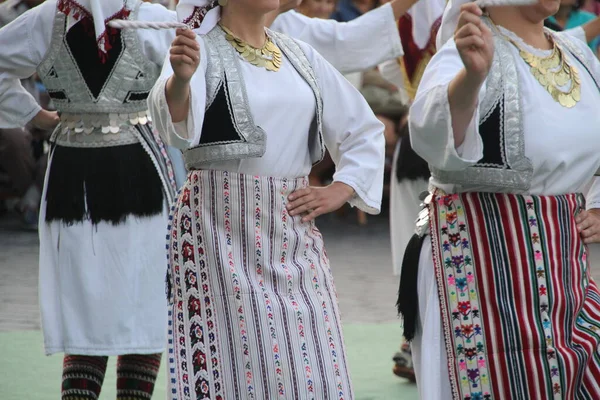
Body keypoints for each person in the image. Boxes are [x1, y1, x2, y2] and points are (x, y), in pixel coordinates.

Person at [148, 0, 385, 397]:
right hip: (218, 229)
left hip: (293, 231)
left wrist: (343, 188)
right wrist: (181, 81)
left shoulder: (299, 54)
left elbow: (362, 129)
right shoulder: (199, 46)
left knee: (314, 359)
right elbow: (170, 124)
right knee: (236, 362)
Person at [397, 0, 600, 398]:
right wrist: (471, 79)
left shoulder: (576, 55)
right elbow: (431, 139)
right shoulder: (466, 48)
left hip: (564, 272)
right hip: (480, 268)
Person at [0, 0, 179, 398]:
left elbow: (187, 86)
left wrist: (33, 114)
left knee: (139, 296)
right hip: (88, 175)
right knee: (100, 299)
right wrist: (32, 114)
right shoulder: (53, 17)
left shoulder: (146, 19)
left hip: (127, 170)